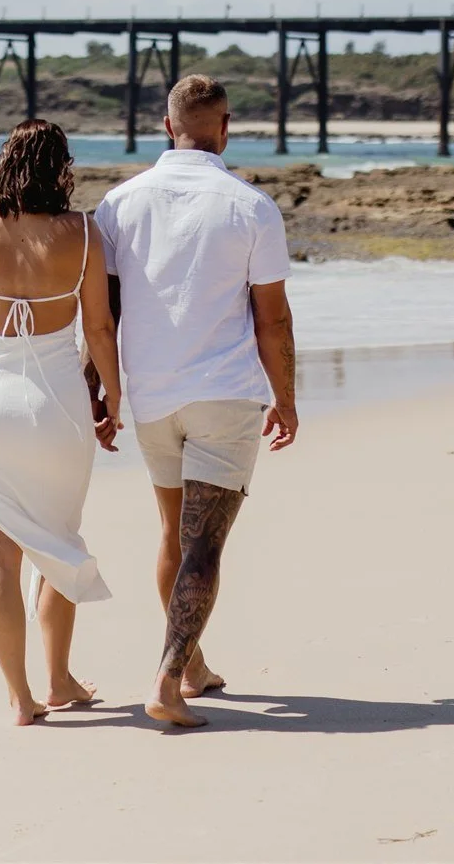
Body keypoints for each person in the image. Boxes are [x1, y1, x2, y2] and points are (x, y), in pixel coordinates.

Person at [89, 74, 298, 727]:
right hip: (225, 394)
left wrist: (101, 391)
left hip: (152, 395)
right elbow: (273, 320)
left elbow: (105, 312)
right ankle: (168, 678)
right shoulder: (250, 206)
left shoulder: (118, 205)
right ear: (225, 127)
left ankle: (195, 664)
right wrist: (286, 399)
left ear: (165, 125)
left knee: (173, 536)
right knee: (203, 545)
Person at [0, 119, 124, 725]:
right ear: (61, 167)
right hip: (57, 408)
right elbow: (99, 330)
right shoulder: (83, 233)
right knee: (59, 541)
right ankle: (59, 681)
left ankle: (20, 699)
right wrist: (115, 400)